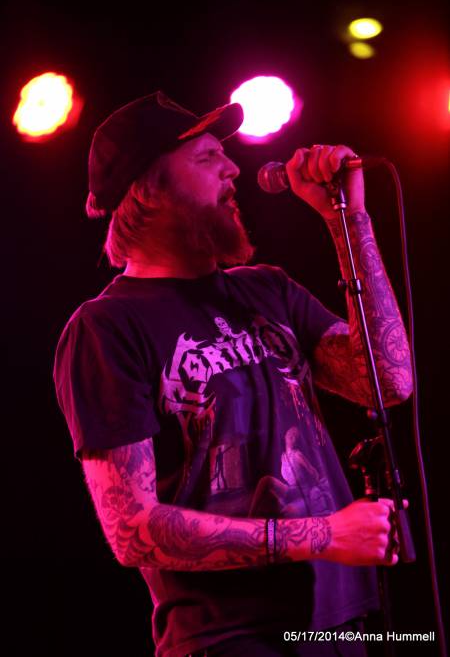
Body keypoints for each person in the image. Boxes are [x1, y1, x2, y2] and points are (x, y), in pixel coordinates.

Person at [53, 91, 413, 657]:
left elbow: (388, 382)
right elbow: (132, 531)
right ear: (149, 191)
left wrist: (348, 220)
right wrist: (323, 535)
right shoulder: (106, 327)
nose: (233, 169)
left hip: (342, 624)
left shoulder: (266, 289)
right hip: (229, 640)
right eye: (205, 158)